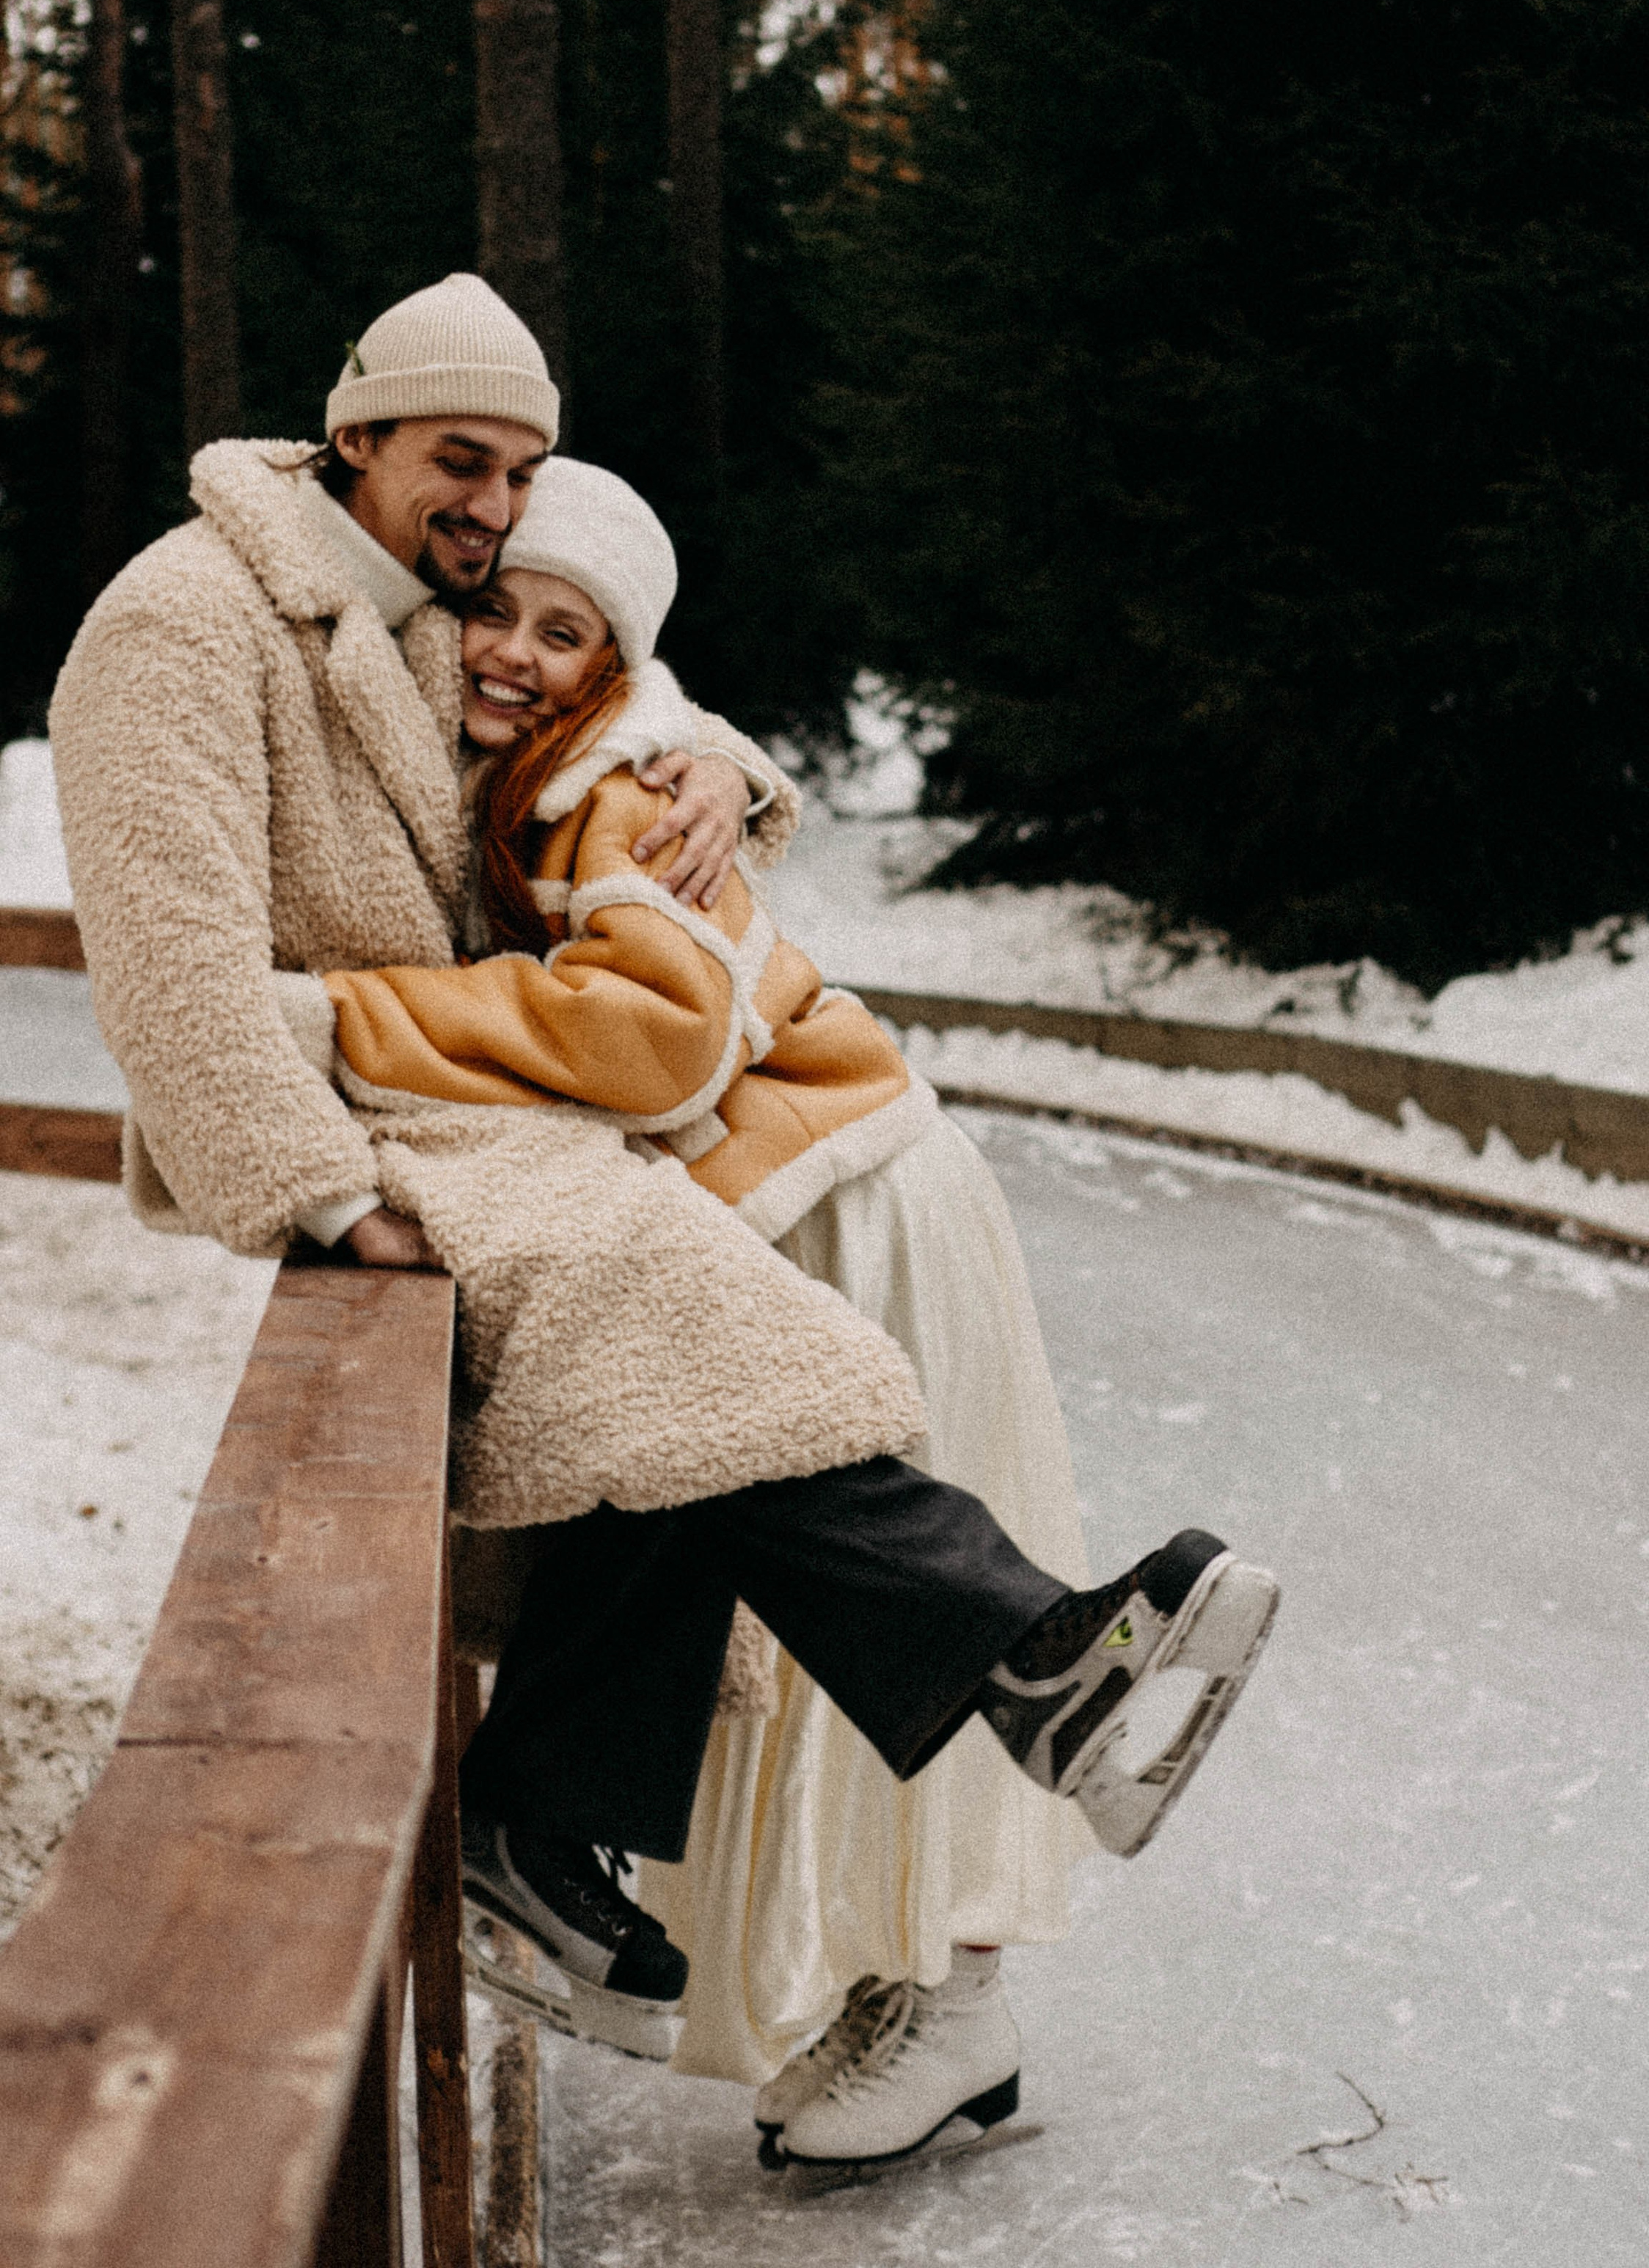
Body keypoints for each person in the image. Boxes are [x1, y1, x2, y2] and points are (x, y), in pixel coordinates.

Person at [48, 274, 1279, 2173]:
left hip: (490, 1123)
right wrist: (313, 1195)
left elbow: (602, 691)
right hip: (387, 1136)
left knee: (714, 1364)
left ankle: (702, 1783)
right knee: (690, 1336)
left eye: (520, 472)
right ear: (355, 429)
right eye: (464, 461)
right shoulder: (185, 623)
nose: (491, 508)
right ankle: (997, 1680)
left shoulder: (423, 606)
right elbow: (169, 966)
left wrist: (722, 770)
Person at [316, 453, 1099, 2164]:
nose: (511, 650)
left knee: (850, 1613)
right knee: (793, 1603)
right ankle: (905, 1971)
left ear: (614, 665)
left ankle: (950, 1993)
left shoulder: (607, 770)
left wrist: (352, 1019)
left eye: (562, 630)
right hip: (797, 1187)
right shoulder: (560, 756)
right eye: (491, 610)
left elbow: (647, 1027)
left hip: (841, 1201)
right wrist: (717, 763)